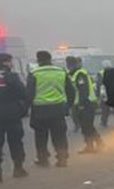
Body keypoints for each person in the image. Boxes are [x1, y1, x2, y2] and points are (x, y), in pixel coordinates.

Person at [27, 50, 73, 167]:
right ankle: (62, 158)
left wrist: (27, 107)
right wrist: (68, 105)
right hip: (58, 109)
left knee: (41, 136)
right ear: (50, 59)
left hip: (40, 110)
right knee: (59, 136)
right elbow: (71, 90)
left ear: (38, 60)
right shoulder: (61, 71)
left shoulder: (34, 73)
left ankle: (43, 159)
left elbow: (29, 93)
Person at [0, 53, 28, 182]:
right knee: (16, 142)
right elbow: (23, 93)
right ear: (5, 63)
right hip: (12, 114)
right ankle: (18, 168)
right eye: (10, 62)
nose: (12, 64)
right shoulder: (12, 77)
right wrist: (22, 109)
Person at [66, 57, 102, 154]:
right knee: (86, 126)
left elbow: (83, 90)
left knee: (87, 126)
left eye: (69, 65)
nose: (68, 67)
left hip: (86, 103)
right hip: (82, 103)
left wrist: (81, 104)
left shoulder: (80, 74)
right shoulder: (73, 74)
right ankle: (91, 145)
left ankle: (96, 144)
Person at [96, 64, 114, 129]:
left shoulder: (101, 73)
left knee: (105, 109)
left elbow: (100, 84)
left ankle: (104, 122)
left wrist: (100, 95)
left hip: (106, 93)